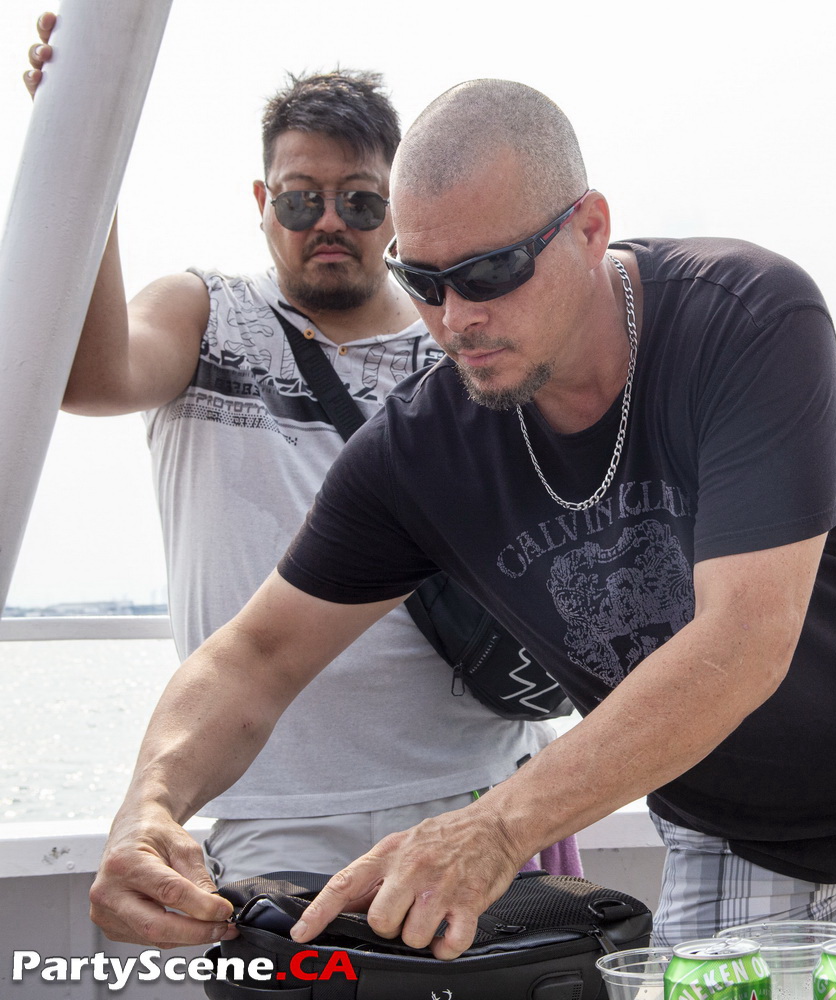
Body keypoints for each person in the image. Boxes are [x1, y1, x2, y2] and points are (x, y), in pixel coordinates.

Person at [87, 78, 836, 956]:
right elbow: (256, 656)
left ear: (589, 228)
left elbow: (744, 641)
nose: (456, 319)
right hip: (735, 825)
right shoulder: (422, 448)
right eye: (423, 280)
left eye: (491, 272)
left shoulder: (745, 317)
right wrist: (148, 808)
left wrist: (496, 828)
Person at [24, 23, 567, 889]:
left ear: (399, 207)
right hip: (277, 809)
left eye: (360, 202)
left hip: (480, 786)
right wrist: (85, 152)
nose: (330, 223)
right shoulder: (207, 315)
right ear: (262, 200)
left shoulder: (462, 341)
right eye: (300, 200)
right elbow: (92, 376)